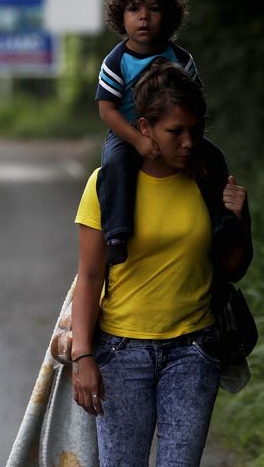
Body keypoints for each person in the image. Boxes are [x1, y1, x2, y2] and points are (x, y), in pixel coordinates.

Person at [71, 60, 253, 466]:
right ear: (145, 128)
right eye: (175, 132)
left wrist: (238, 222)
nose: (188, 142)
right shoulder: (106, 185)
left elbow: (231, 267)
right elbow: (89, 275)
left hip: (193, 352)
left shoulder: (208, 183)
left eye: (195, 130)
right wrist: (83, 355)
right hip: (120, 354)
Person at [95, 0, 237, 265]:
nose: (143, 17)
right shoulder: (117, 60)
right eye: (134, 9)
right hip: (128, 132)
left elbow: (195, 104)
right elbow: (106, 110)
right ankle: (117, 233)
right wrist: (136, 139)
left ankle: (221, 222)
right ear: (120, 15)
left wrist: (192, 142)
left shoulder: (180, 59)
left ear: (169, 16)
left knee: (213, 158)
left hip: (177, 130)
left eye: (154, 9)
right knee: (114, 165)